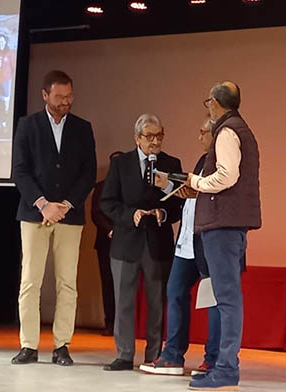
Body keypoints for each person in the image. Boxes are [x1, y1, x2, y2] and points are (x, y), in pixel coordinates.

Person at [11, 70, 96, 367]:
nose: (66, 102)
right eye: (59, 97)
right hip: (34, 213)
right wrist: (44, 204)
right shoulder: (28, 126)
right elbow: (19, 171)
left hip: (69, 216)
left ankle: (62, 345)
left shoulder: (83, 128)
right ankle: (29, 345)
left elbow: (88, 173)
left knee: (67, 282)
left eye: (69, 96)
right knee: (30, 281)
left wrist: (66, 204)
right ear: (45, 95)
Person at [186, 82, 261, 391]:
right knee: (226, 298)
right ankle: (221, 365)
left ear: (215, 104)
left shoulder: (227, 132)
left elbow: (227, 175)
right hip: (228, 225)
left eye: (208, 102)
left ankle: (227, 368)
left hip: (223, 226)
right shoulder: (239, 129)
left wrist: (197, 181)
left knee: (228, 300)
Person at [100, 114, 183, 371]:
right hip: (126, 243)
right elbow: (107, 202)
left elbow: (180, 204)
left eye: (159, 136)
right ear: (137, 138)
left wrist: (164, 213)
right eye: (149, 136)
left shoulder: (172, 163)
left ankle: (154, 355)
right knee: (124, 301)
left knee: (157, 301)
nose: (155, 141)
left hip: (157, 243)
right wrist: (129, 215)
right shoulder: (121, 164)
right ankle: (124, 355)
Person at [139, 118, 220, 376]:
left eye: (203, 132)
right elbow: (192, 192)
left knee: (213, 301)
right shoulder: (202, 159)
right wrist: (171, 186)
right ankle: (172, 355)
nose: (200, 137)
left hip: (209, 243)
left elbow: (214, 194)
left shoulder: (224, 162)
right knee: (174, 292)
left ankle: (214, 360)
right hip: (186, 242)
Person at [91, 150, 124, 336]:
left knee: (124, 283)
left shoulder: (129, 187)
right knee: (108, 282)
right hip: (106, 241)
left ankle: (123, 324)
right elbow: (96, 213)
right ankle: (109, 322)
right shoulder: (100, 186)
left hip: (126, 241)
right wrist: (110, 230)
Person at [0, 33, 14, 134]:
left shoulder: (9, 53)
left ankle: (5, 124)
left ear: (5, 42)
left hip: (6, 81)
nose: (1, 43)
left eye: (2, 41)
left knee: (5, 104)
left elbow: (13, 67)